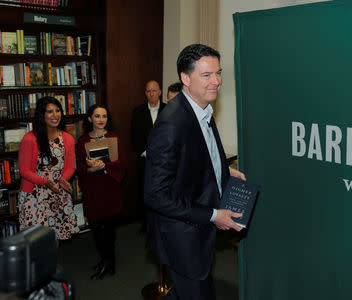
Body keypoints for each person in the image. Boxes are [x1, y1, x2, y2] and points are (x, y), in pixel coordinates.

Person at [144, 44, 246, 300]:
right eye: (207, 75)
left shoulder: (201, 107)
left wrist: (224, 171)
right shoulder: (171, 124)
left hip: (198, 230)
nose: (217, 81)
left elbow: (200, 155)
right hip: (183, 236)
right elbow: (156, 195)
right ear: (185, 78)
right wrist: (213, 215)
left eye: (218, 73)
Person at [75, 104, 127, 280]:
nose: (100, 120)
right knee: (96, 228)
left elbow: (122, 164)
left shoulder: (114, 138)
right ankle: (105, 260)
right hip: (92, 190)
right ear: (90, 119)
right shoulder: (82, 140)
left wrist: (105, 165)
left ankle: (109, 264)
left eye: (104, 116)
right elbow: (80, 166)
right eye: (97, 116)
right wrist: (90, 169)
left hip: (109, 190)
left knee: (109, 231)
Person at [18, 96, 78, 241]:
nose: (55, 115)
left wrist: (63, 180)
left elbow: (70, 167)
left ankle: (51, 265)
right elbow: (24, 170)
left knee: (55, 238)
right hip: (34, 195)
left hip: (58, 192)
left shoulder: (68, 138)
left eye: (58, 110)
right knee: (36, 241)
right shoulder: (30, 138)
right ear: (42, 115)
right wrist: (45, 182)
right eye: (50, 111)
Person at [131, 80, 166, 229]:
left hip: (165, 161)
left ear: (160, 92)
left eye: (154, 91)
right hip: (145, 160)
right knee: (145, 192)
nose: (151, 94)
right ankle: (146, 224)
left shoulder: (168, 109)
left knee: (163, 192)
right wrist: (148, 153)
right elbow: (134, 136)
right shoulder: (137, 112)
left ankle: (162, 222)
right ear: (145, 94)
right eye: (148, 91)